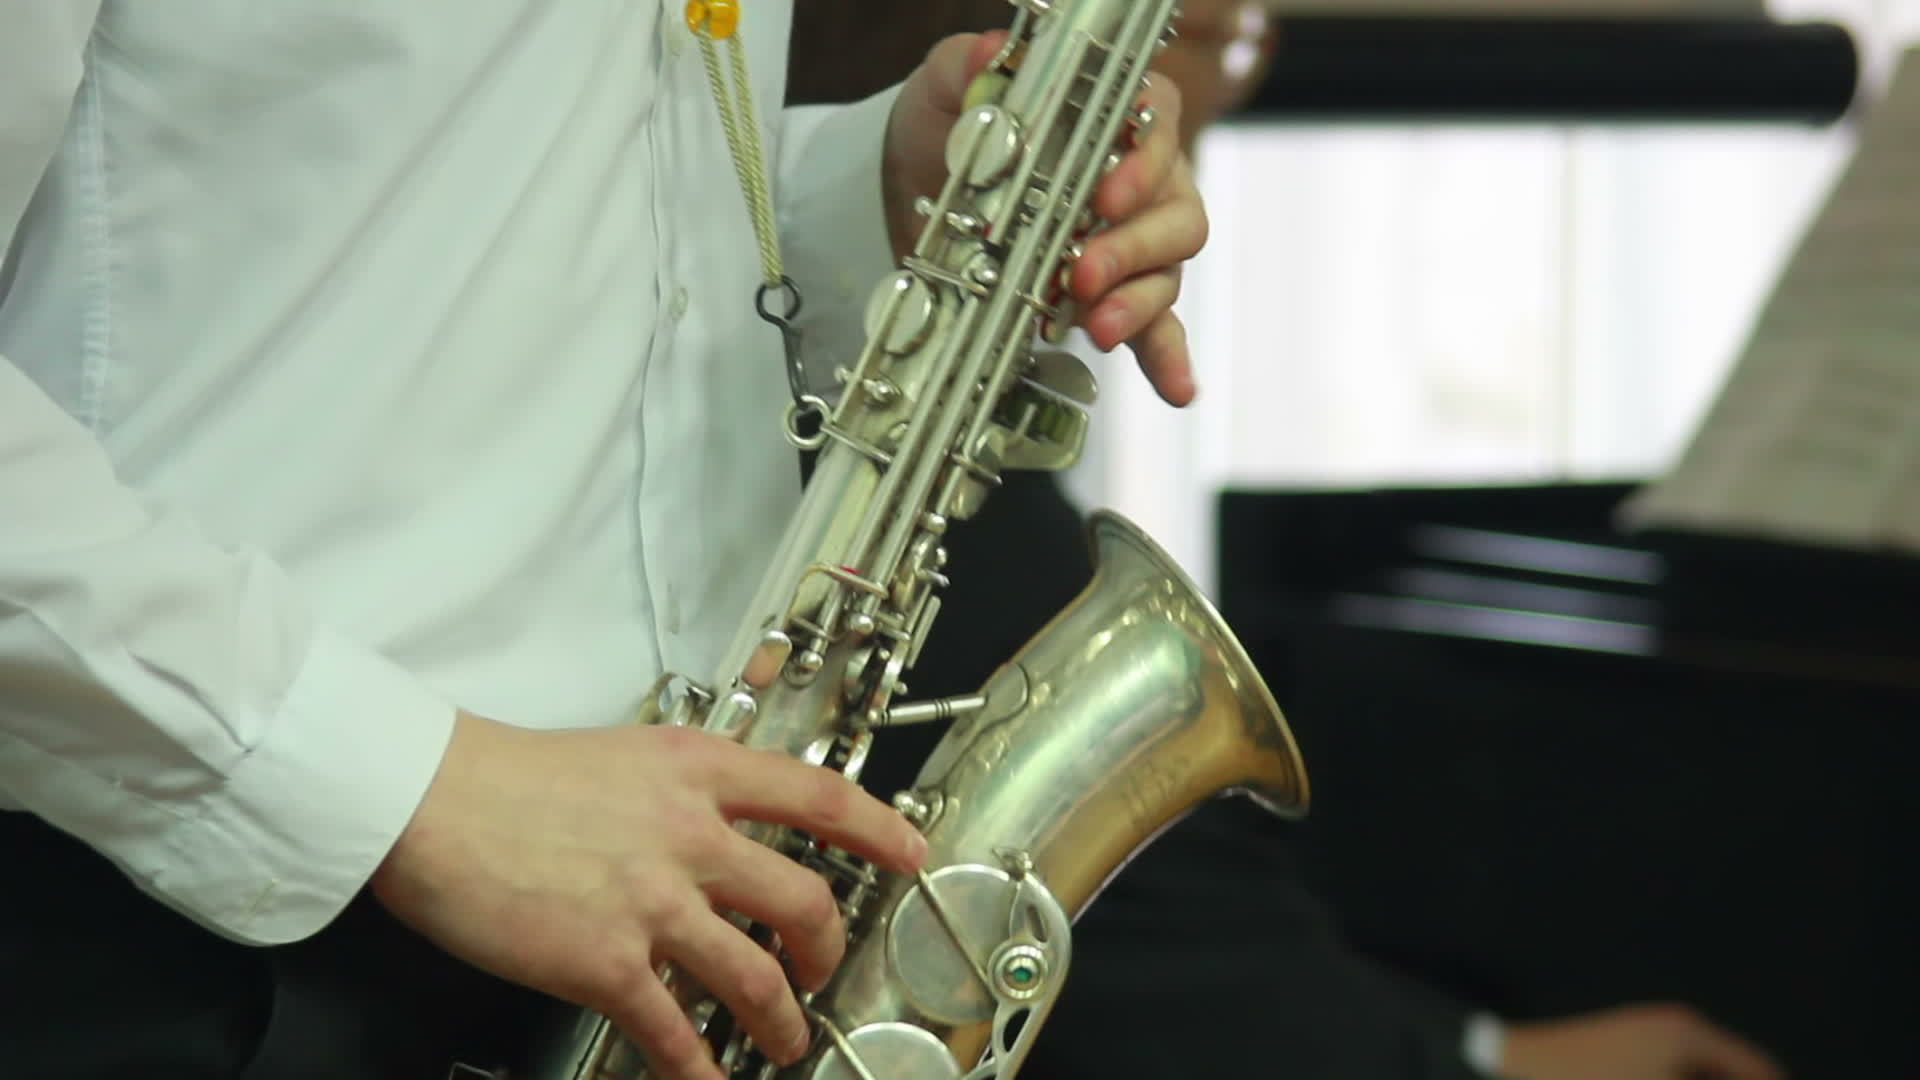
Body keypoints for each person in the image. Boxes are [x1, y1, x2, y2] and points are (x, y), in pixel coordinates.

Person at [0, 4, 1206, 1078]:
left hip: (639, 920)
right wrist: (411, 789)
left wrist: (876, 202)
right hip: (194, 946)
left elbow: (441, 230)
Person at [789, 3, 1787, 1079]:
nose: (1210, 94)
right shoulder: (920, 494)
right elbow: (1175, 970)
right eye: (1213, 37)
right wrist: (1486, 1061)